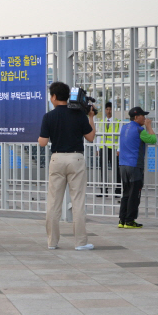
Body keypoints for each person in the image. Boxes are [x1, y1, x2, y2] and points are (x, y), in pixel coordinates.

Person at [38, 81, 96, 251]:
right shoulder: (79, 114)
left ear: (54, 97)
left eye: (50, 96)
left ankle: (52, 242)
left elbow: (42, 143)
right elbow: (91, 137)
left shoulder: (48, 116)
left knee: (54, 203)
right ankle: (80, 243)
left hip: (57, 159)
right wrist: (91, 117)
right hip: (76, 159)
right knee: (77, 202)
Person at [118, 107, 157, 229]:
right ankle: (130, 221)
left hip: (123, 165)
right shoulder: (139, 130)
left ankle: (122, 220)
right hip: (134, 166)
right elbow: (153, 139)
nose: (145, 118)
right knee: (135, 194)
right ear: (136, 117)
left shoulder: (124, 128)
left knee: (126, 193)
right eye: (142, 116)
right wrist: (149, 126)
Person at [96, 102, 121, 198]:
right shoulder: (102, 121)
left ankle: (117, 191)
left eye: (110, 109)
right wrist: (98, 148)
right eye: (107, 109)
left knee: (116, 170)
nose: (108, 111)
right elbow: (99, 136)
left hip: (113, 148)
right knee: (103, 170)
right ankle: (104, 191)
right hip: (104, 148)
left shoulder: (117, 121)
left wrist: (119, 148)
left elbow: (119, 137)